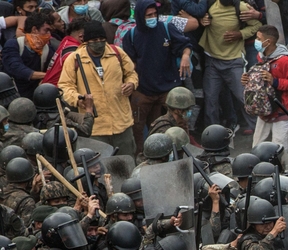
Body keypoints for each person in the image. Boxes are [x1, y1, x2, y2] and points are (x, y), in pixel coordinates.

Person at [58, 21, 139, 157]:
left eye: (102, 39)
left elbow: (131, 74)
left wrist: (131, 84)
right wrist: (78, 99)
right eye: (95, 40)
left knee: (126, 163)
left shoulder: (116, 53)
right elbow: (64, 86)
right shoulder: (74, 59)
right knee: (99, 168)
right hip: (95, 128)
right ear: (86, 41)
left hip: (121, 123)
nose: (99, 43)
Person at [121, 0, 193, 150]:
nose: (152, 17)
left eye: (154, 14)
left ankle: (183, 153)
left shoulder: (167, 28)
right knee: (138, 129)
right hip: (143, 90)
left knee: (179, 123)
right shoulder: (131, 36)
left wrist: (186, 56)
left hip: (168, 89)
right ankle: (142, 157)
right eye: (148, 15)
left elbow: (185, 45)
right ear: (141, 16)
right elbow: (129, 63)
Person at [199, 0, 262, 137]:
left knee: (245, 96)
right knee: (210, 99)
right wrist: (202, 20)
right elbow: (196, 15)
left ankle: (260, 132)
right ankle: (212, 137)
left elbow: (257, 25)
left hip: (234, 60)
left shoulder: (242, 7)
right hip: (212, 60)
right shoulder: (210, 6)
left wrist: (240, 34)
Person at [245, 25, 288, 171]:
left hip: (282, 109)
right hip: (264, 110)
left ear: (268, 42)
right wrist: (249, 79)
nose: (256, 41)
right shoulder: (261, 56)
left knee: (279, 147)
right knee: (257, 144)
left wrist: (275, 81)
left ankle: (282, 175)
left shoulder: (284, 61)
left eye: (259, 39)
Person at [2, 11, 56, 97]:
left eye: (50, 31)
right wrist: (46, 76)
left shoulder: (48, 50)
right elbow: (16, 68)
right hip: (10, 96)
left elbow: (55, 69)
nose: (49, 35)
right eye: (46, 30)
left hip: (35, 97)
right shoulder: (13, 45)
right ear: (34, 30)